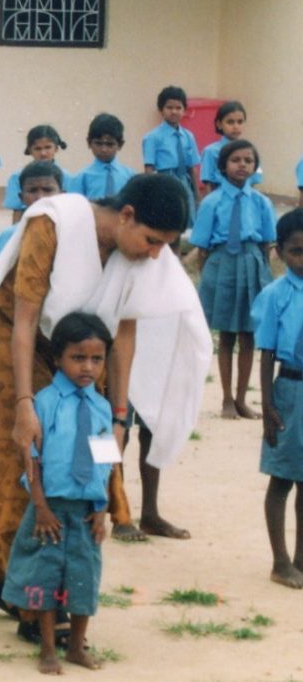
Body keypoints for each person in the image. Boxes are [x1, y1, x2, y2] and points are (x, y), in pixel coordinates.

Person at [0, 175, 210, 642]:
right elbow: (24, 320)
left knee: (81, 463)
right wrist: (25, 404)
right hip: (10, 339)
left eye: (163, 247)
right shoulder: (54, 223)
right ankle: (31, 604)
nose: (153, 255)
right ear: (126, 215)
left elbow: (124, 335)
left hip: (80, 349)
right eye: (151, 241)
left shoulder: (136, 254)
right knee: (24, 461)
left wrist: (120, 415)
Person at [3, 312, 115, 674]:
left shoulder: (101, 406)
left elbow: (105, 462)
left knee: (83, 578)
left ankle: (77, 647)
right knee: (45, 580)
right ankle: (48, 648)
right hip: (50, 510)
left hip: (85, 511)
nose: (88, 367)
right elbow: (31, 459)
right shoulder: (44, 403)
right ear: (57, 358)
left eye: (96, 359)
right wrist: (40, 507)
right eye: (78, 358)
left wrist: (103, 508)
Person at [191, 139, 275, 420]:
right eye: (235, 160)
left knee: (249, 334)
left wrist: (264, 276)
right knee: (226, 334)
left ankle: (242, 399)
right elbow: (201, 246)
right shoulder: (212, 202)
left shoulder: (261, 203)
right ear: (223, 166)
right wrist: (208, 278)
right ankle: (226, 399)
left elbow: (267, 244)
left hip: (251, 264)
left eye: (248, 160)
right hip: (221, 264)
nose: (242, 165)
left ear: (254, 166)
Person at [252, 208, 303, 590]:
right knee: (282, 478)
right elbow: (267, 351)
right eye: (297, 251)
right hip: (289, 391)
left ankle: (301, 558)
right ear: (280, 252)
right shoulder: (275, 295)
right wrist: (268, 405)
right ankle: (280, 561)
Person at [141, 84, 201, 217]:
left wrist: (197, 196)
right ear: (161, 110)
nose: (174, 111)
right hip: (164, 182)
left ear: (184, 110)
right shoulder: (152, 137)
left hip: (185, 183)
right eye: (169, 107)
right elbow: (149, 169)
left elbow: (192, 168)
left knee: (189, 218)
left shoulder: (188, 136)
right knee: (168, 218)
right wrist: (149, 195)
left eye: (178, 108)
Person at [0, 161, 64, 261]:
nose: (40, 197)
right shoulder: (9, 237)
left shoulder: (71, 235)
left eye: (47, 190)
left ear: (62, 195)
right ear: (22, 198)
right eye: (33, 190)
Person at [4, 125, 66, 224]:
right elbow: (17, 211)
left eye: (48, 147)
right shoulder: (17, 177)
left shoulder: (67, 176)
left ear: (56, 148)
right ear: (30, 150)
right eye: (37, 148)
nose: (43, 153)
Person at [67, 113, 135, 201]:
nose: (104, 149)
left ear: (120, 145)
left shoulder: (130, 176)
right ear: (89, 143)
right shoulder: (81, 177)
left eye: (110, 144)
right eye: (98, 143)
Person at [198, 101, 258, 190]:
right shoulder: (211, 151)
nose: (236, 126)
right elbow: (208, 183)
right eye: (230, 122)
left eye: (240, 122)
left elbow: (254, 181)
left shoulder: (250, 151)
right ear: (219, 124)